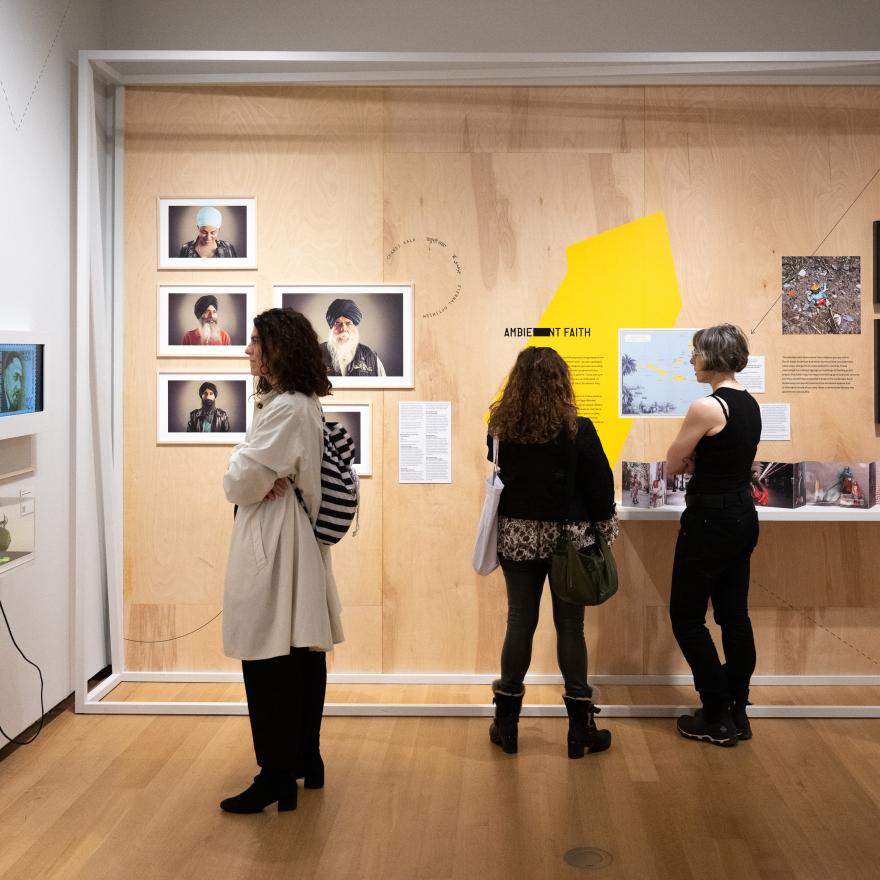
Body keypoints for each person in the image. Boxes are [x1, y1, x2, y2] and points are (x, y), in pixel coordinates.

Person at [220, 307, 343, 814]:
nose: (247, 349)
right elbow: (251, 475)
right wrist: (252, 468)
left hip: (278, 539)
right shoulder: (295, 404)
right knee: (298, 652)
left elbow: (237, 481)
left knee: (269, 657)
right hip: (291, 537)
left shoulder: (288, 408)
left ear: (277, 349)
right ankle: (302, 761)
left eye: (255, 341)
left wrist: (244, 466)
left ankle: (275, 774)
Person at [486, 346, 617, 758]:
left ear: (517, 382)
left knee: (519, 622)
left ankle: (507, 724)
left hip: (518, 534)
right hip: (569, 540)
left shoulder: (500, 427)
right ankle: (580, 728)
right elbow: (600, 489)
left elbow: (501, 471)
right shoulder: (580, 428)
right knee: (570, 628)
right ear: (562, 381)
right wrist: (605, 531)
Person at [665, 324, 761, 748]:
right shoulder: (750, 404)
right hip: (742, 517)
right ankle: (737, 710)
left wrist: (691, 462)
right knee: (733, 617)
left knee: (686, 617)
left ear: (714, 356)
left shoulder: (707, 407)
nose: (691, 359)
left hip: (708, 521)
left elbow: (671, 462)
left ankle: (716, 712)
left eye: (696, 352)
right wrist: (697, 462)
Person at [319, 298, 386, 377]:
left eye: (348, 323)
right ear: (331, 327)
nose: (344, 329)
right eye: (337, 323)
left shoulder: (370, 356)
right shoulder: (315, 354)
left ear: (355, 326)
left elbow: (383, 388)